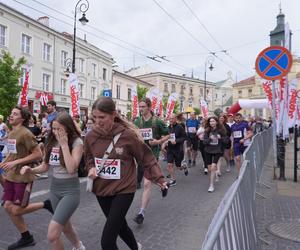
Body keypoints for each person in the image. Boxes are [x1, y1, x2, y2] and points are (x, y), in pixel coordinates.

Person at [84, 97, 168, 250]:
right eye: (94, 117)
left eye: (102, 117)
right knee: (120, 226)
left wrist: (160, 178)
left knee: (107, 241)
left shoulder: (128, 135)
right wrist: (90, 168)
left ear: (113, 114)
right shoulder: (90, 136)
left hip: (124, 189)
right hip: (101, 189)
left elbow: (146, 157)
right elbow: (88, 157)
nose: (97, 121)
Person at [21, 112, 85, 250]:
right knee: (66, 226)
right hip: (55, 189)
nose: (55, 132)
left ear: (67, 128)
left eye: (59, 129)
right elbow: (45, 166)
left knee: (52, 235)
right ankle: (79, 246)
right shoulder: (50, 141)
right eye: (54, 128)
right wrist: (30, 170)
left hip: (70, 191)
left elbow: (71, 169)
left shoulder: (77, 142)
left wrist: (64, 145)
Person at [0, 106, 52, 250]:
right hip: (11, 176)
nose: (11, 116)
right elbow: (12, 154)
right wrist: (3, 163)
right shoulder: (12, 133)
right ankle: (26, 237)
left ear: (22, 118)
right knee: (7, 207)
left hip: (23, 176)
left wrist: (16, 162)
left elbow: (38, 155)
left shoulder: (25, 134)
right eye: (11, 113)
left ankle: (46, 204)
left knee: (16, 210)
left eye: (15, 114)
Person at [133, 98, 169, 225]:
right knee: (152, 178)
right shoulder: (137, 121)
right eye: (140, 106)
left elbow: (168, 134)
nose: (140, 109)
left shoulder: (157, 121)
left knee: (147, 184)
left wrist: (158, 142)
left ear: (149, 107)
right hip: (140, 155)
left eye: (143, 106)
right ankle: (163, 184)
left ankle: (141, 213)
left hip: (152, 155)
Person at [203, 116, 228, 192]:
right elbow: (204, 142)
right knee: (210, 169)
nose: (212, 123)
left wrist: (220, 138)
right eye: (210, 121)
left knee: (213, 167)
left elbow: (226, 141)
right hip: (208, 151)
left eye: (213, 121)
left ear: (216, 122)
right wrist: (210, 139)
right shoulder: (207, 130)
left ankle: (211, 185)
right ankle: (215, 174)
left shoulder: (221, 130)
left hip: (217, 150)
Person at [166, 113, 187, 186]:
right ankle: (173, 180)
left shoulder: (180, 127)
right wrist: (165, 141)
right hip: (170, 149)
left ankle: (183, 167)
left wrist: (177, 141)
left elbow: (184, 137)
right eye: (170, 118)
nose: (171, 120)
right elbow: (166, 136)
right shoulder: (167, 128)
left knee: (178, 167)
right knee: (169, 164)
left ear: (175, 119)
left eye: (172, 118)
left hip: (178, 149)